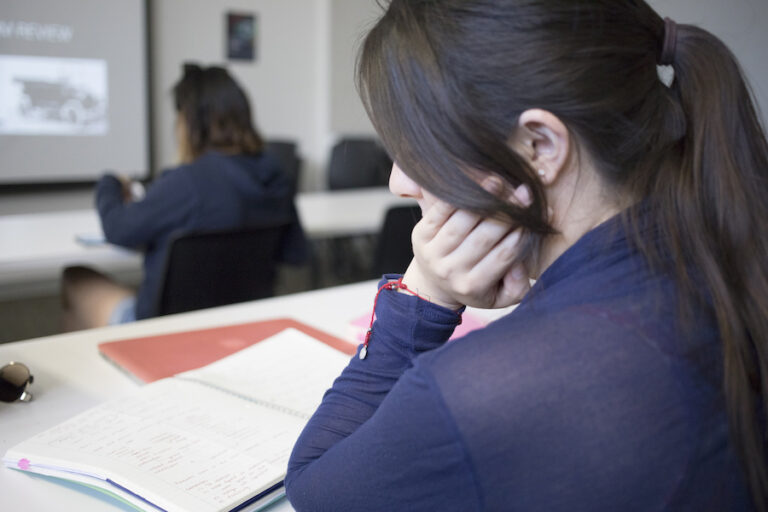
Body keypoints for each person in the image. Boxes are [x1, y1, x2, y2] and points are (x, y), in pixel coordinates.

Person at [285, 1, 768, 510]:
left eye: (420, 145)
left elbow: (316, 484)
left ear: (540, 145)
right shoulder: (724, 245)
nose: (398, 182)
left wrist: (424, 294)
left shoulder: (487, 392)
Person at [61, 64, 306, 329]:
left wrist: (110, 182)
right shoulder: (276, 174)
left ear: (188, 122)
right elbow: (295, 253)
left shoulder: (185, 182)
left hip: (164, 331)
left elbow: (117, 229)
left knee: (74, 277)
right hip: (245, 324)